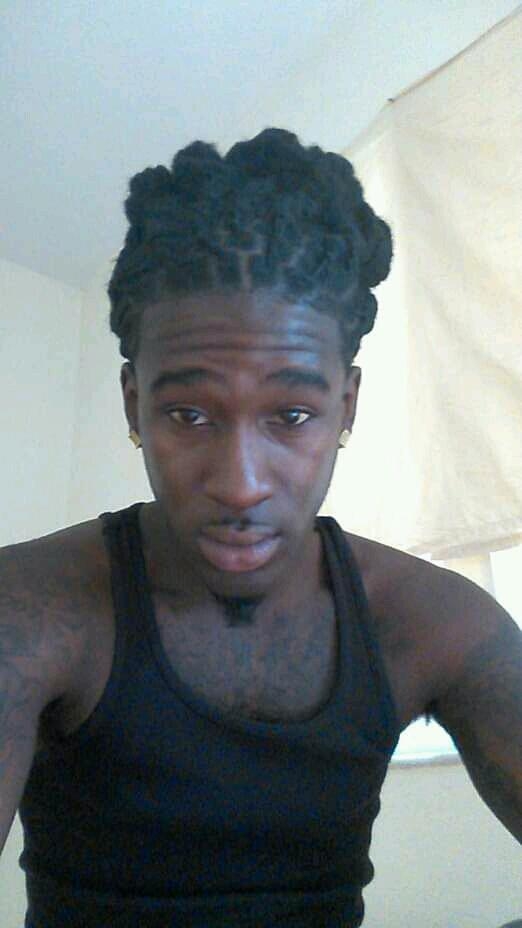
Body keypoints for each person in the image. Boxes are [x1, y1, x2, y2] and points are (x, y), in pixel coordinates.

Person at [0, 128, 520, 928]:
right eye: (189, 413)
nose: (240, 483)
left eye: (293, 415)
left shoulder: (437, 624)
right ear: (133, 403)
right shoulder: (29, 610)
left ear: (346, 406)